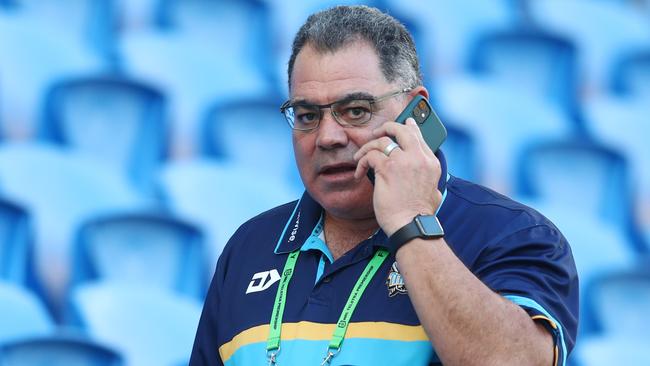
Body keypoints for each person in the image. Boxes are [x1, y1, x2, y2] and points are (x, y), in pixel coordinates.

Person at [190, 5, 578, 366]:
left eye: (355, 111)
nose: (327, 137)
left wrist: (411, 222)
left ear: (415, 113)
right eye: (307, 115)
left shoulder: (510, 234)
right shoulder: (250, 246)